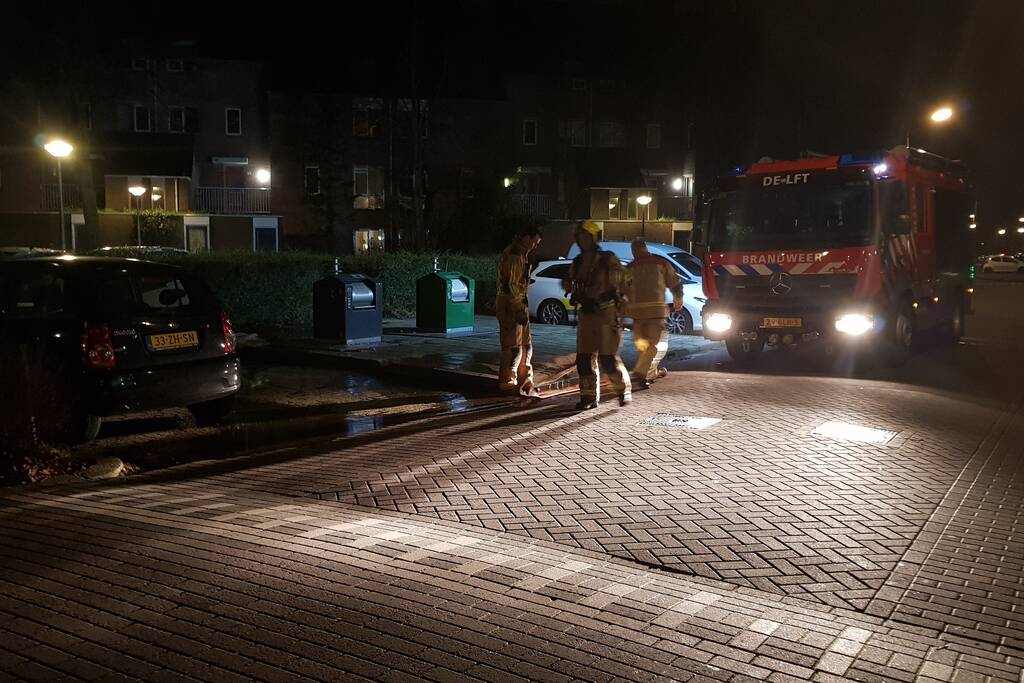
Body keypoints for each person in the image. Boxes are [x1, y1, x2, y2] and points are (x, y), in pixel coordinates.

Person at [562, 220, 631, 409]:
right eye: (580, 238)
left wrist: (620, 298)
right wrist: (570, 287)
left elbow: (624, 280)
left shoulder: (607, 259)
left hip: (606, 314)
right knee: (584, 360)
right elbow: (568, 283)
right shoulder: (577, 262)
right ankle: (588, 398)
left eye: (586, 237)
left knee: (608, 359)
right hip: (586, 315)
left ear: (593, 238)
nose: (583, 241)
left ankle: (622, 390)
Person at [625, 238, 684, 389]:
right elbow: (675, 282)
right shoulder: (660, 263)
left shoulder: (630, 267)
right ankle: (641, 372)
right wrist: (678, 299)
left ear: (633, 250)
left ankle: (647, 374)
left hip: (637, 314)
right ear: (646, 248)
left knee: (643, 346)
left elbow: (622, 289)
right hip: (656, 312)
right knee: (653, 346)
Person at [496, 225, 543, 397]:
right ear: (526, 238)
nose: (535, 246)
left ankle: (523, 381)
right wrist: (518, 309)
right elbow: (512, 285)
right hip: (511, 307)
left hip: (517, 305)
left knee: (525, 344)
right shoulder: (515, 256)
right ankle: (508, 382)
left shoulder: (520, 255)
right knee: (513, 346)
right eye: (535, 242)